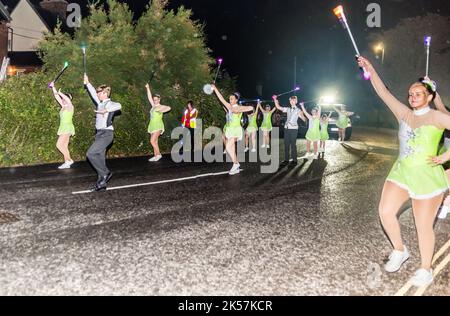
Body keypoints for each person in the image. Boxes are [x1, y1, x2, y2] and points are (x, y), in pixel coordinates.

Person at [358, 56, 450, 287]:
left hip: (427, 178)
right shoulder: (404, 114)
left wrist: (445, 157)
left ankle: (425, 268)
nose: (412, 96)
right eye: (410, 93)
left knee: (423, 226)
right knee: (385, 212)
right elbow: (383, 93)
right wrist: (370, 69)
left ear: (429, 96)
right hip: (401, 172)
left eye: (418, 93)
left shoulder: (437, 117)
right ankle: (400, 250)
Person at [84, 74, 122, 192]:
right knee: (99, 159)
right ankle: (101, 184)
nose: (97, 94)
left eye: (99, 92)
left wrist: (107, 110)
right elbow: (92, 93)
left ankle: (106, 173)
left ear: (105, 93)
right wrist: (87, 83)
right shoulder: (100, 103)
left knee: (90, 154)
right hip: (99, 134)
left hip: (106, 134)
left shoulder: (109, 104)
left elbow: (119, 105)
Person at [211, 85, 253, 175]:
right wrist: (215, 89)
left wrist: (243, 108)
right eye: (229, 98)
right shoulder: (229, 106)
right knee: (232, 149)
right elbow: (221, 99)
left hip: (235, 130)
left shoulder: (237, 108)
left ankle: (236, 164)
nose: (230, 99)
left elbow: (250, 108)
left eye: (232, 98)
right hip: (229, 130)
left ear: (236, 100)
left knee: (228, 147)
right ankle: (236, 166)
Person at [273, 95, 306, 165]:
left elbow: (304, 119)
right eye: (291, 100)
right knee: (286, 145)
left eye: (293, 100)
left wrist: (302, 115)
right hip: (286, 128)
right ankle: (286, 160)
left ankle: (294, 160)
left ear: (296, 101)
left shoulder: (298, 110)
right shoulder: (288, 109)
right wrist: (275, 100)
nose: (292, 101)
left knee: (293, 145)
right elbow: (278, 107)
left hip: (294, 129)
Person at [49, 81, 75, 170]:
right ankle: (66, 163)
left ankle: (69, 160)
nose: (63, 100)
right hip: (63, 127)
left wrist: (61, 93)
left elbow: (67, 100)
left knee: (59, 145)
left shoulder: (70, 107)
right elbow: (56, 96)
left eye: (64, 98)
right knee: (64, 146)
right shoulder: (63, 106)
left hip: (67, 127)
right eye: (62, 98)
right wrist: (53, 87)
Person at [146, 83, 171, 162]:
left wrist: (161, 110)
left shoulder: (160, 106)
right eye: (154, 100)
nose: (155, 101)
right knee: (155, 142)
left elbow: (169, 108)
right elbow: (149, 97)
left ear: (159, 99)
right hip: (152, 125)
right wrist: (147, 88)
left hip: (158, 125)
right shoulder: (153, 106)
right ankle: (155, 155)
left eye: (156, 99)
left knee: (152, 141)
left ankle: (159, 154)